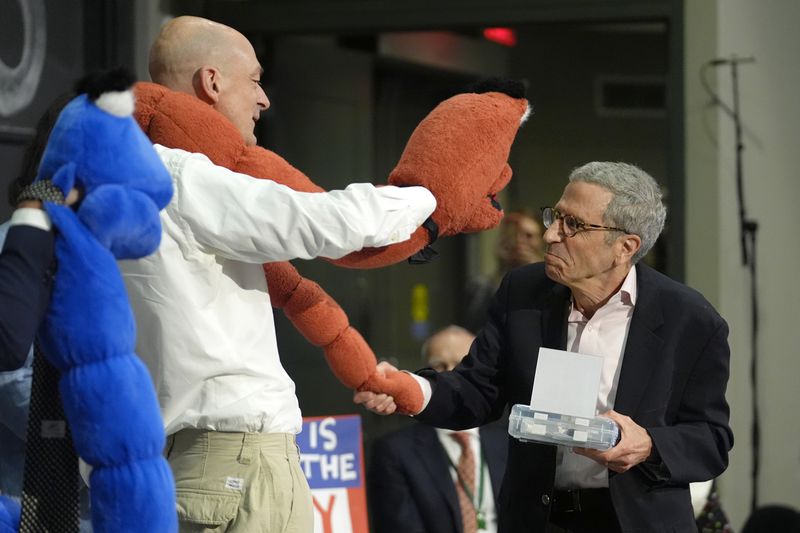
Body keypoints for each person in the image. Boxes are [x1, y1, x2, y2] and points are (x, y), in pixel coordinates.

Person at [120, 15, 437, 533]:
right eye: (255, 80)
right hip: (234, 461)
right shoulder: (182, 176)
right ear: (212, 82)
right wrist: (435, 197)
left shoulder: (115, 182)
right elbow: (330, 221)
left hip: (170, 460)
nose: (264, 99)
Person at [356, 161, 733, 532]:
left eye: (574, 225)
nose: (551, 234)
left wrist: (648, 443)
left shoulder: (690, 320)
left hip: (636, 518)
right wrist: (411, 389)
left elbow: (711, 441)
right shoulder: (523, 292)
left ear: (625, 246)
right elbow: (477, 390)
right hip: (539, 516)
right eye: (555, 216)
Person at [368, 326, 508, 533]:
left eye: (463, 365)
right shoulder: (395, 452)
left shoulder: (509, 443)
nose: (452, 373)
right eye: (439, 366)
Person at [463, 211, 544, 333]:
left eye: (529, 236)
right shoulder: (482, 285)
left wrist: (536, 269)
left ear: (541, 242)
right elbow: (477, 322)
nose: (520, 241)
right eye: (514, 235)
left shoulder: (551, 278)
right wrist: (502, 266)